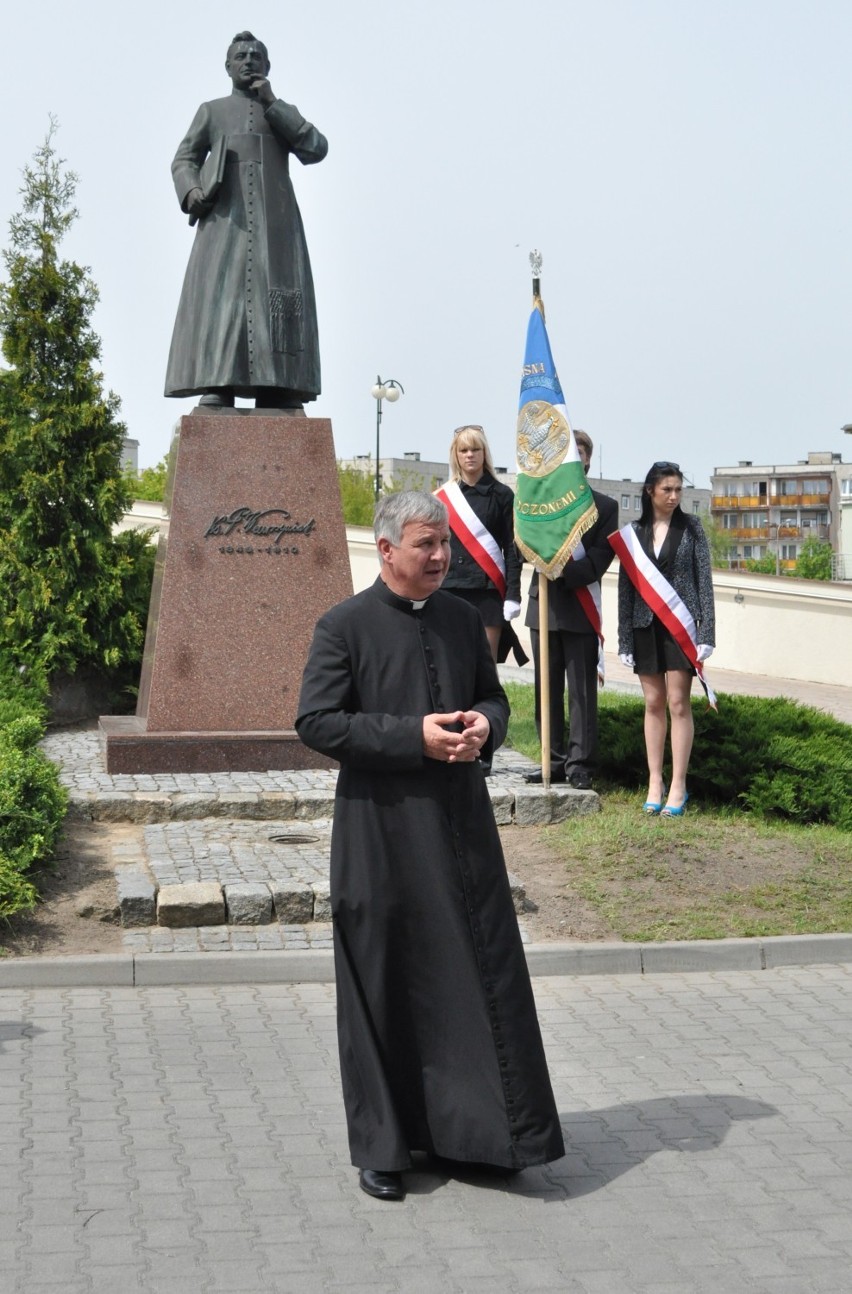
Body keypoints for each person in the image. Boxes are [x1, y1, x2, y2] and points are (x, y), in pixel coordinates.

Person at [296, 491, 565, 1202]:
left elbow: (495, 698)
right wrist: (409, 736)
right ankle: (383, 1147)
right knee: (381, 982)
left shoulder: (459, 619)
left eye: (444, 543)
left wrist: (487, 726)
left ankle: (477, 1133)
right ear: (386, 550)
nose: (442, 556)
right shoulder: (342, 626)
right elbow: (317, 722)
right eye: (426, 545)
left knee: (470, 974)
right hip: (379, 833)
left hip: (458, 828)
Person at [164, 32, 327, 410]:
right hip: (225, 223)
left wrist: (274, 103)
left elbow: (315, 148)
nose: (249, 60)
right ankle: (218, 381)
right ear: (228, 66)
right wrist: (192, 193)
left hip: (277, 227)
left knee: (279, 301)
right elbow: (183, 159)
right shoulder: (212, 111)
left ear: (268, 67)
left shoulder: (280, 113)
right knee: (224, 303)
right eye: (240, 56)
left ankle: (278, 384)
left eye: (256, 56)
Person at [613, 461, 716, 817]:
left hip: (681, 627)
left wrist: (708, 633)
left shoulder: (693, 528)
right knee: (654, 703)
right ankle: (655, 781)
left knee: (677, 703)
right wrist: (624, 639)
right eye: (666, 490)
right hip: (644, 626)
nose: (673, 496)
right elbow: (626, 589)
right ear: (650, 491)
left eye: (678, 490)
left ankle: (678, 784)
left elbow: (705, 581)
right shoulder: (634, 532)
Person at [524, 430, 618, 789]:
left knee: (581, 692)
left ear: (588, 461)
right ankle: (552, 759)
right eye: (566, 454)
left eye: (578, 453)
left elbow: (596, 563)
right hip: (542, 607)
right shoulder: (538, 505)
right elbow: (521, 547)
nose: (573, 459)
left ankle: (580, 765)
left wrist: (557, 565)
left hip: (579, 608)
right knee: (545, 690)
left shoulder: (605, 508)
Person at [436, 425, 522, 662]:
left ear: (485, 453)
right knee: (450, 662)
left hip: (487, 592)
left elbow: (512, 550)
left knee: (484, 665)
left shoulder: (503, 495)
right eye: (463, 450)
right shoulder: (442, 497)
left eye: (475, 449)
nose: (469, 455)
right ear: (456, 455)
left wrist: (513, 594)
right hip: (449, 588)